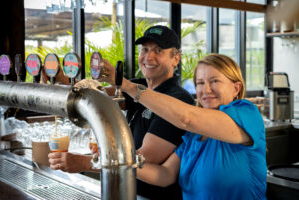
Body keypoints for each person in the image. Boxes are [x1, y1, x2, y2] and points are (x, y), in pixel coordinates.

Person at [48, 25, 195, 200]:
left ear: (175, 59)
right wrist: (59, 78)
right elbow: (93, 94)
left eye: (159, 51)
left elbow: (145, 157)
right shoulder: (139, 85)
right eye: (145, 49)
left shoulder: (177, 99)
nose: (149, 57)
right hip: (128, 191)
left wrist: (84, 162)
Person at [99, 53, 267, 199]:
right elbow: (165, 174)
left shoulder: (247, 114)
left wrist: (127, 86)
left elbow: (187, 117)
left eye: (214, 81)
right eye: (200, 83)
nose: (206, 90)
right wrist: (112, 161)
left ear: (236, 88)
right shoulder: (194, 135)